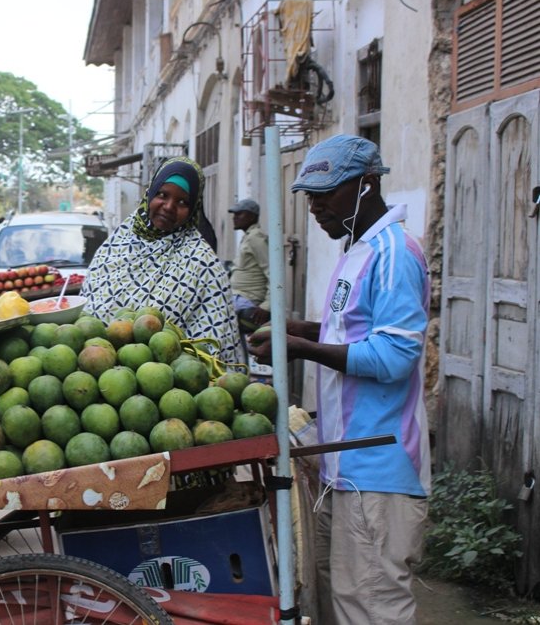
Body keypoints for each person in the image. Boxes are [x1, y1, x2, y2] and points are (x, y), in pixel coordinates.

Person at [248, 135, 430, 625]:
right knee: (339, 607)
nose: (315, 207)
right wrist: (294, 326)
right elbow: (350, 331)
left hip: (377, 470)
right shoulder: (359, 250)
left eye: (326, 193)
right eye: (310, 196)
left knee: (371, 609)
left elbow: (394, 355)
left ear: (367, 185)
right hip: (343, 469)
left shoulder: (394, 252)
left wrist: (302, 348)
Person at [80, 156, 242, 362]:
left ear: (193, 209)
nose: (168, 206)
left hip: (167, 387)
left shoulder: (203, 264)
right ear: (150, 193)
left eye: (182, 202)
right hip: (95, 371)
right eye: (162, 195)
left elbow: (216, 343)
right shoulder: (116, 245)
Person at [227, 198, 271, 332]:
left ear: (252, 216)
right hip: (238, 296)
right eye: (234, 214)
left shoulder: (256, 238)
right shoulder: (248, 236)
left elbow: (273, 272)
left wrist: (267, 306)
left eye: (239, 214)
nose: (235, 218)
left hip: (246, 299)